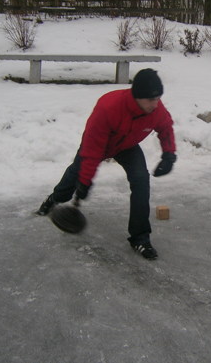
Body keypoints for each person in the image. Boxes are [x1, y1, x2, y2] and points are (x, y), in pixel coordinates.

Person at [37, 68, 177, 260]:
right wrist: (85, 182)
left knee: (141, 179)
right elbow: (92, 151)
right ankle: (54, 199)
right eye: (151, 100)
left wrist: (169, 155)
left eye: (158, 98)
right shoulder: (108, 107)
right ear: (137, 97)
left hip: (127, 146)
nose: (156, 104)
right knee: (76, 174)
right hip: (98, 144)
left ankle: (140, 237)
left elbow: (166, 127)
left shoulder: (156, 109)